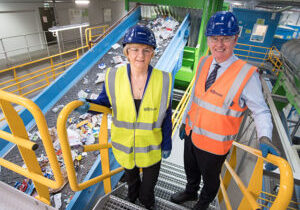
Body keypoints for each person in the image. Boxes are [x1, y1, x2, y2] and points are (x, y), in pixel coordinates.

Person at [170, 11, 280, 210]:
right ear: (208, 39)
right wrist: (184, 120)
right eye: (214, 38)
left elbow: (261, 111)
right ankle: (190, 191)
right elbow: (196, 96)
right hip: (191, 134)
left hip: (215, 146)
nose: (219, 45)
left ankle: (203, 203)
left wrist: (265, 137)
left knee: (211, 180)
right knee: (191, 169)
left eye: (226, 38)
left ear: (236, 39)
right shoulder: (204, 61)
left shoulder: (247, 75)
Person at [75, 24, 173, 209]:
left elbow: (167, 115)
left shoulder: (163, 79)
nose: (140, 56)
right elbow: (104, 103)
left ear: (153, 53)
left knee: (148, 189)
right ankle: (131, 200)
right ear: (126, 52)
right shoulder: (113, 76)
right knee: (131, 181)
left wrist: (167, 143)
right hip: (125, 146)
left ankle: (147, 203)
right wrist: (88, 106)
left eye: (146, 50)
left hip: (151, 147)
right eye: (134, 49)